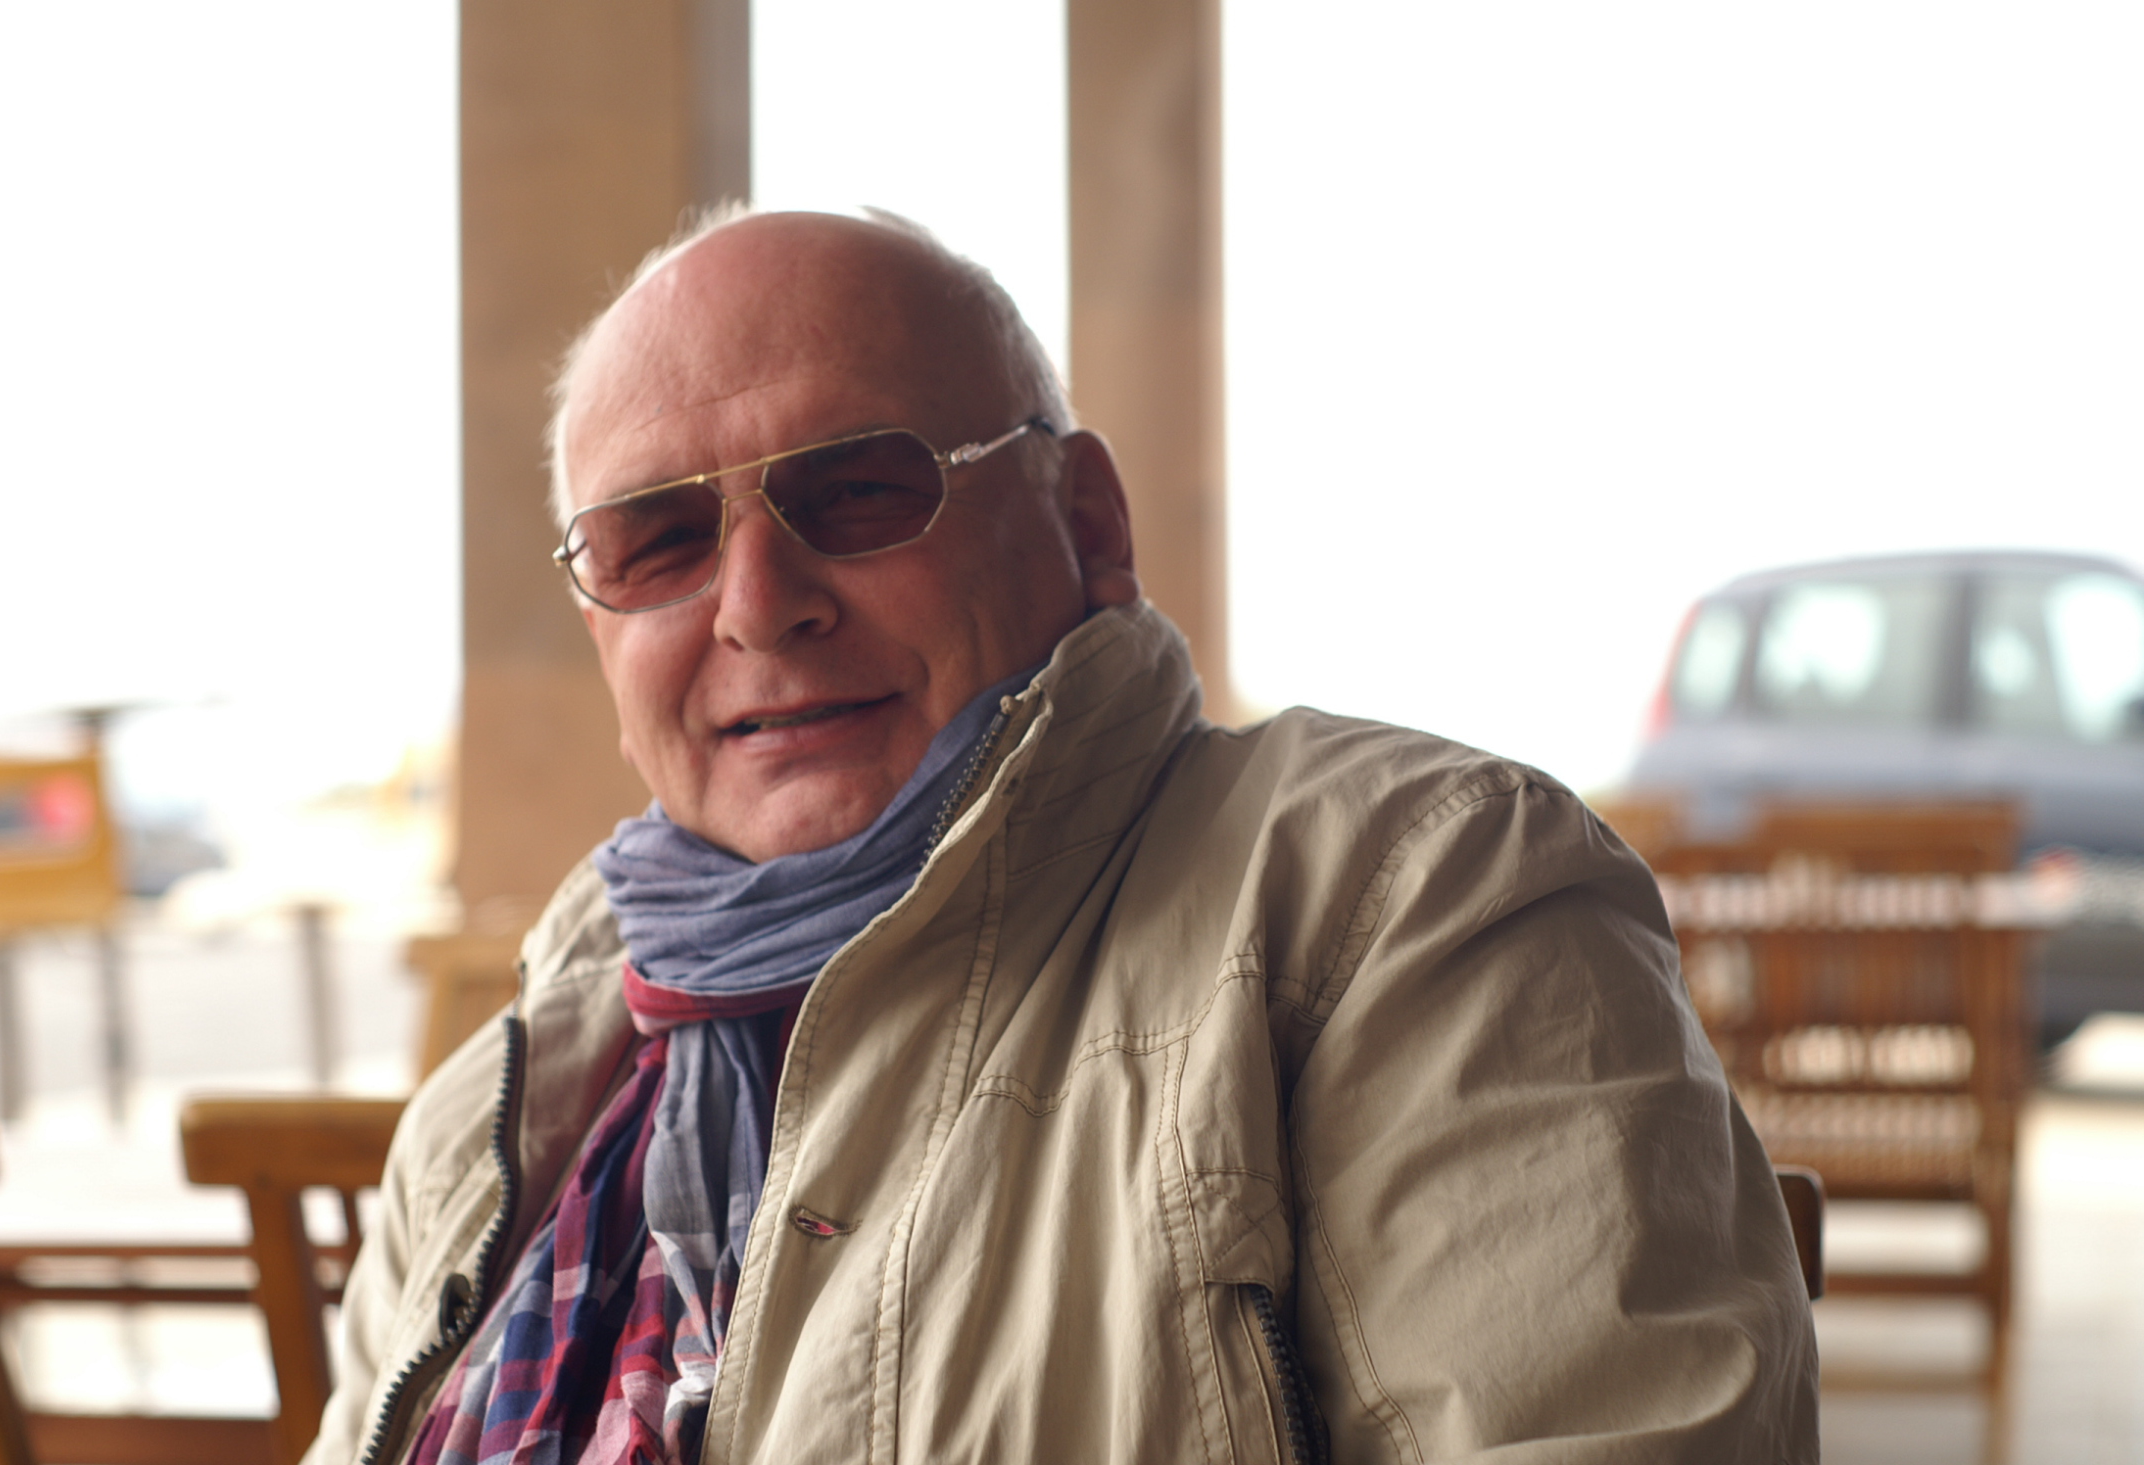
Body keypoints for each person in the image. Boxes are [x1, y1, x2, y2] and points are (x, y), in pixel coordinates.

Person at [308, 210, 1817, 1465]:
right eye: (660, 540)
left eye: (860, 491)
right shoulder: (501, 1104)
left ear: (1087, 523)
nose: (758, 604)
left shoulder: (1412, 900)